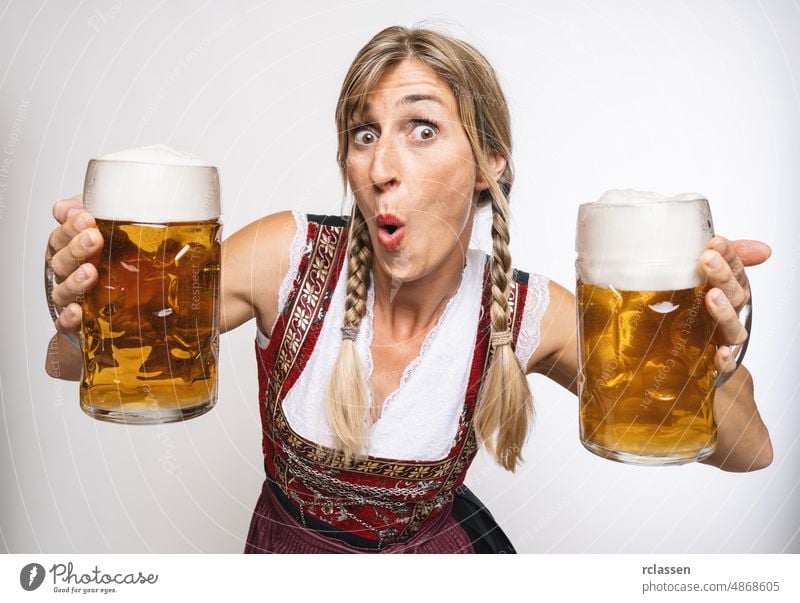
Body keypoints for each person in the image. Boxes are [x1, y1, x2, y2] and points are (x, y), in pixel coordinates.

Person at [43, 26, 773, 553]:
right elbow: (80, 366)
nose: (382, 165)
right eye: (364, 133)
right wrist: (82, 313)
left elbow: (749, 450)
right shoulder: (287, 256)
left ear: (490, 165)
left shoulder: (524, 312)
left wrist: (715, 349)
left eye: (421, 129)